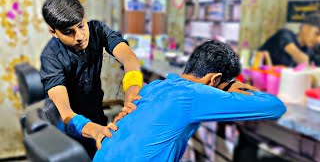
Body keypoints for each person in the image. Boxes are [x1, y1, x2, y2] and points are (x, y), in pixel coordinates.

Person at [93, 40, 286, 161]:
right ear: (214, 79)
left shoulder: (155, 86)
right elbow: (276, 106)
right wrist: (229, 88)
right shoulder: (198, 94)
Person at [40, 0, 142, 158]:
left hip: (95, 112)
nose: (80, 37)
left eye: (81, 26)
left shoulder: (97, 30)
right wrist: (96, 130)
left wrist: (131, 90)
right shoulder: (51, 57)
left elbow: (128, 58)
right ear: (54, 32)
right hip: (68, 127)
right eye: (69, 32)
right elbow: (65, 113)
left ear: (84, 18)